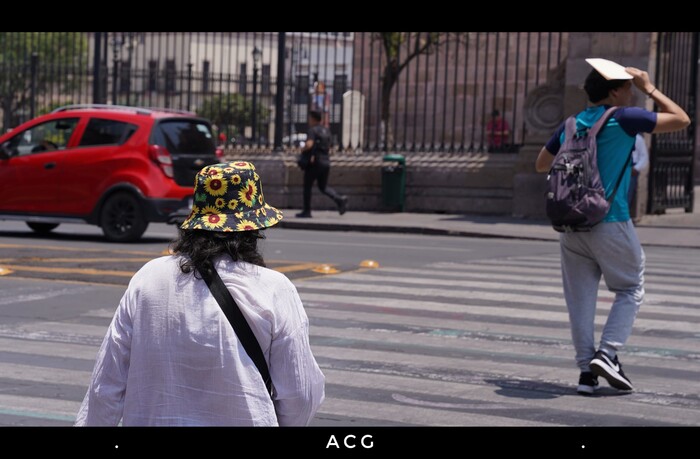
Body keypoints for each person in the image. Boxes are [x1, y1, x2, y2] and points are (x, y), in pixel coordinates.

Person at [75, 161, 325, 426]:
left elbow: (106, 386)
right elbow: (300, 395)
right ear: (253, 228)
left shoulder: (147, 279)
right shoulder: (274, 288)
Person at [535, 61, 689, 396]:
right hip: (610, 219)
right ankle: (607, 353)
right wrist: (650, 88)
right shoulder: (623, 118)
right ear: (614, 91)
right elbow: (681, 119)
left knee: (580, 301)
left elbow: (541, 163)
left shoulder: (571, 122)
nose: (632, 92)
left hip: (571, 223)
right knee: (631, 287)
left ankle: (585, 376)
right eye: (628, 88)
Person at [296, 110, 348, 218]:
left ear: (313, 119)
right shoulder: (326, 130)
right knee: (323, 186)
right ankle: (339, 199)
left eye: (310, 118)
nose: (309, 120)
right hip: (326, 161)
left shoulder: (313, 130)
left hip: (315, 162)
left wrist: (302, 149)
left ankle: (307, 211)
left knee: (307, 186)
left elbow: (309, 144)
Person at [628, 134, 649, 212]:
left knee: (628, 194)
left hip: (632, 167)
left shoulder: (638, 139)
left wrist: (636, 168)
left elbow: (644, 157)